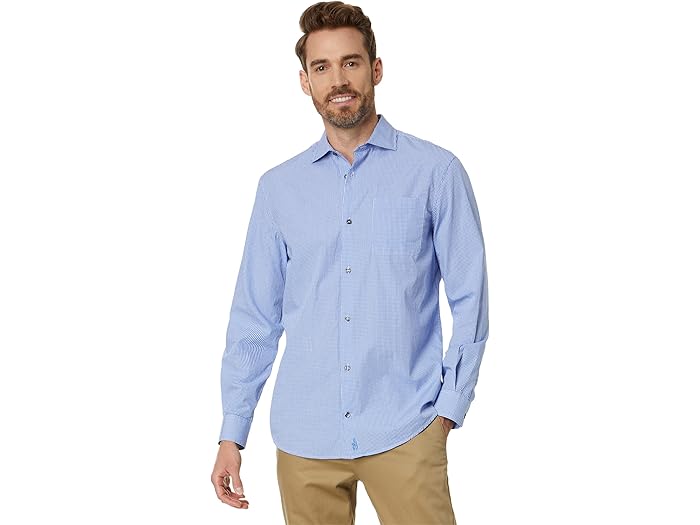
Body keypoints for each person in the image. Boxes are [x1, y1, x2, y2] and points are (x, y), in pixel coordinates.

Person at [211, 2, 489, 523]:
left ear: (376, 69)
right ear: (305, 82)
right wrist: (233, 432)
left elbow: (470, 297)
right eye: (322, 67)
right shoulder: (278, 189)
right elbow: (255, 317)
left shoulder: (436, 172)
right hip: (305, 438)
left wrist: (450, 408)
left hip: (407, 428)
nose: (337, 80)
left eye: (351, 62)